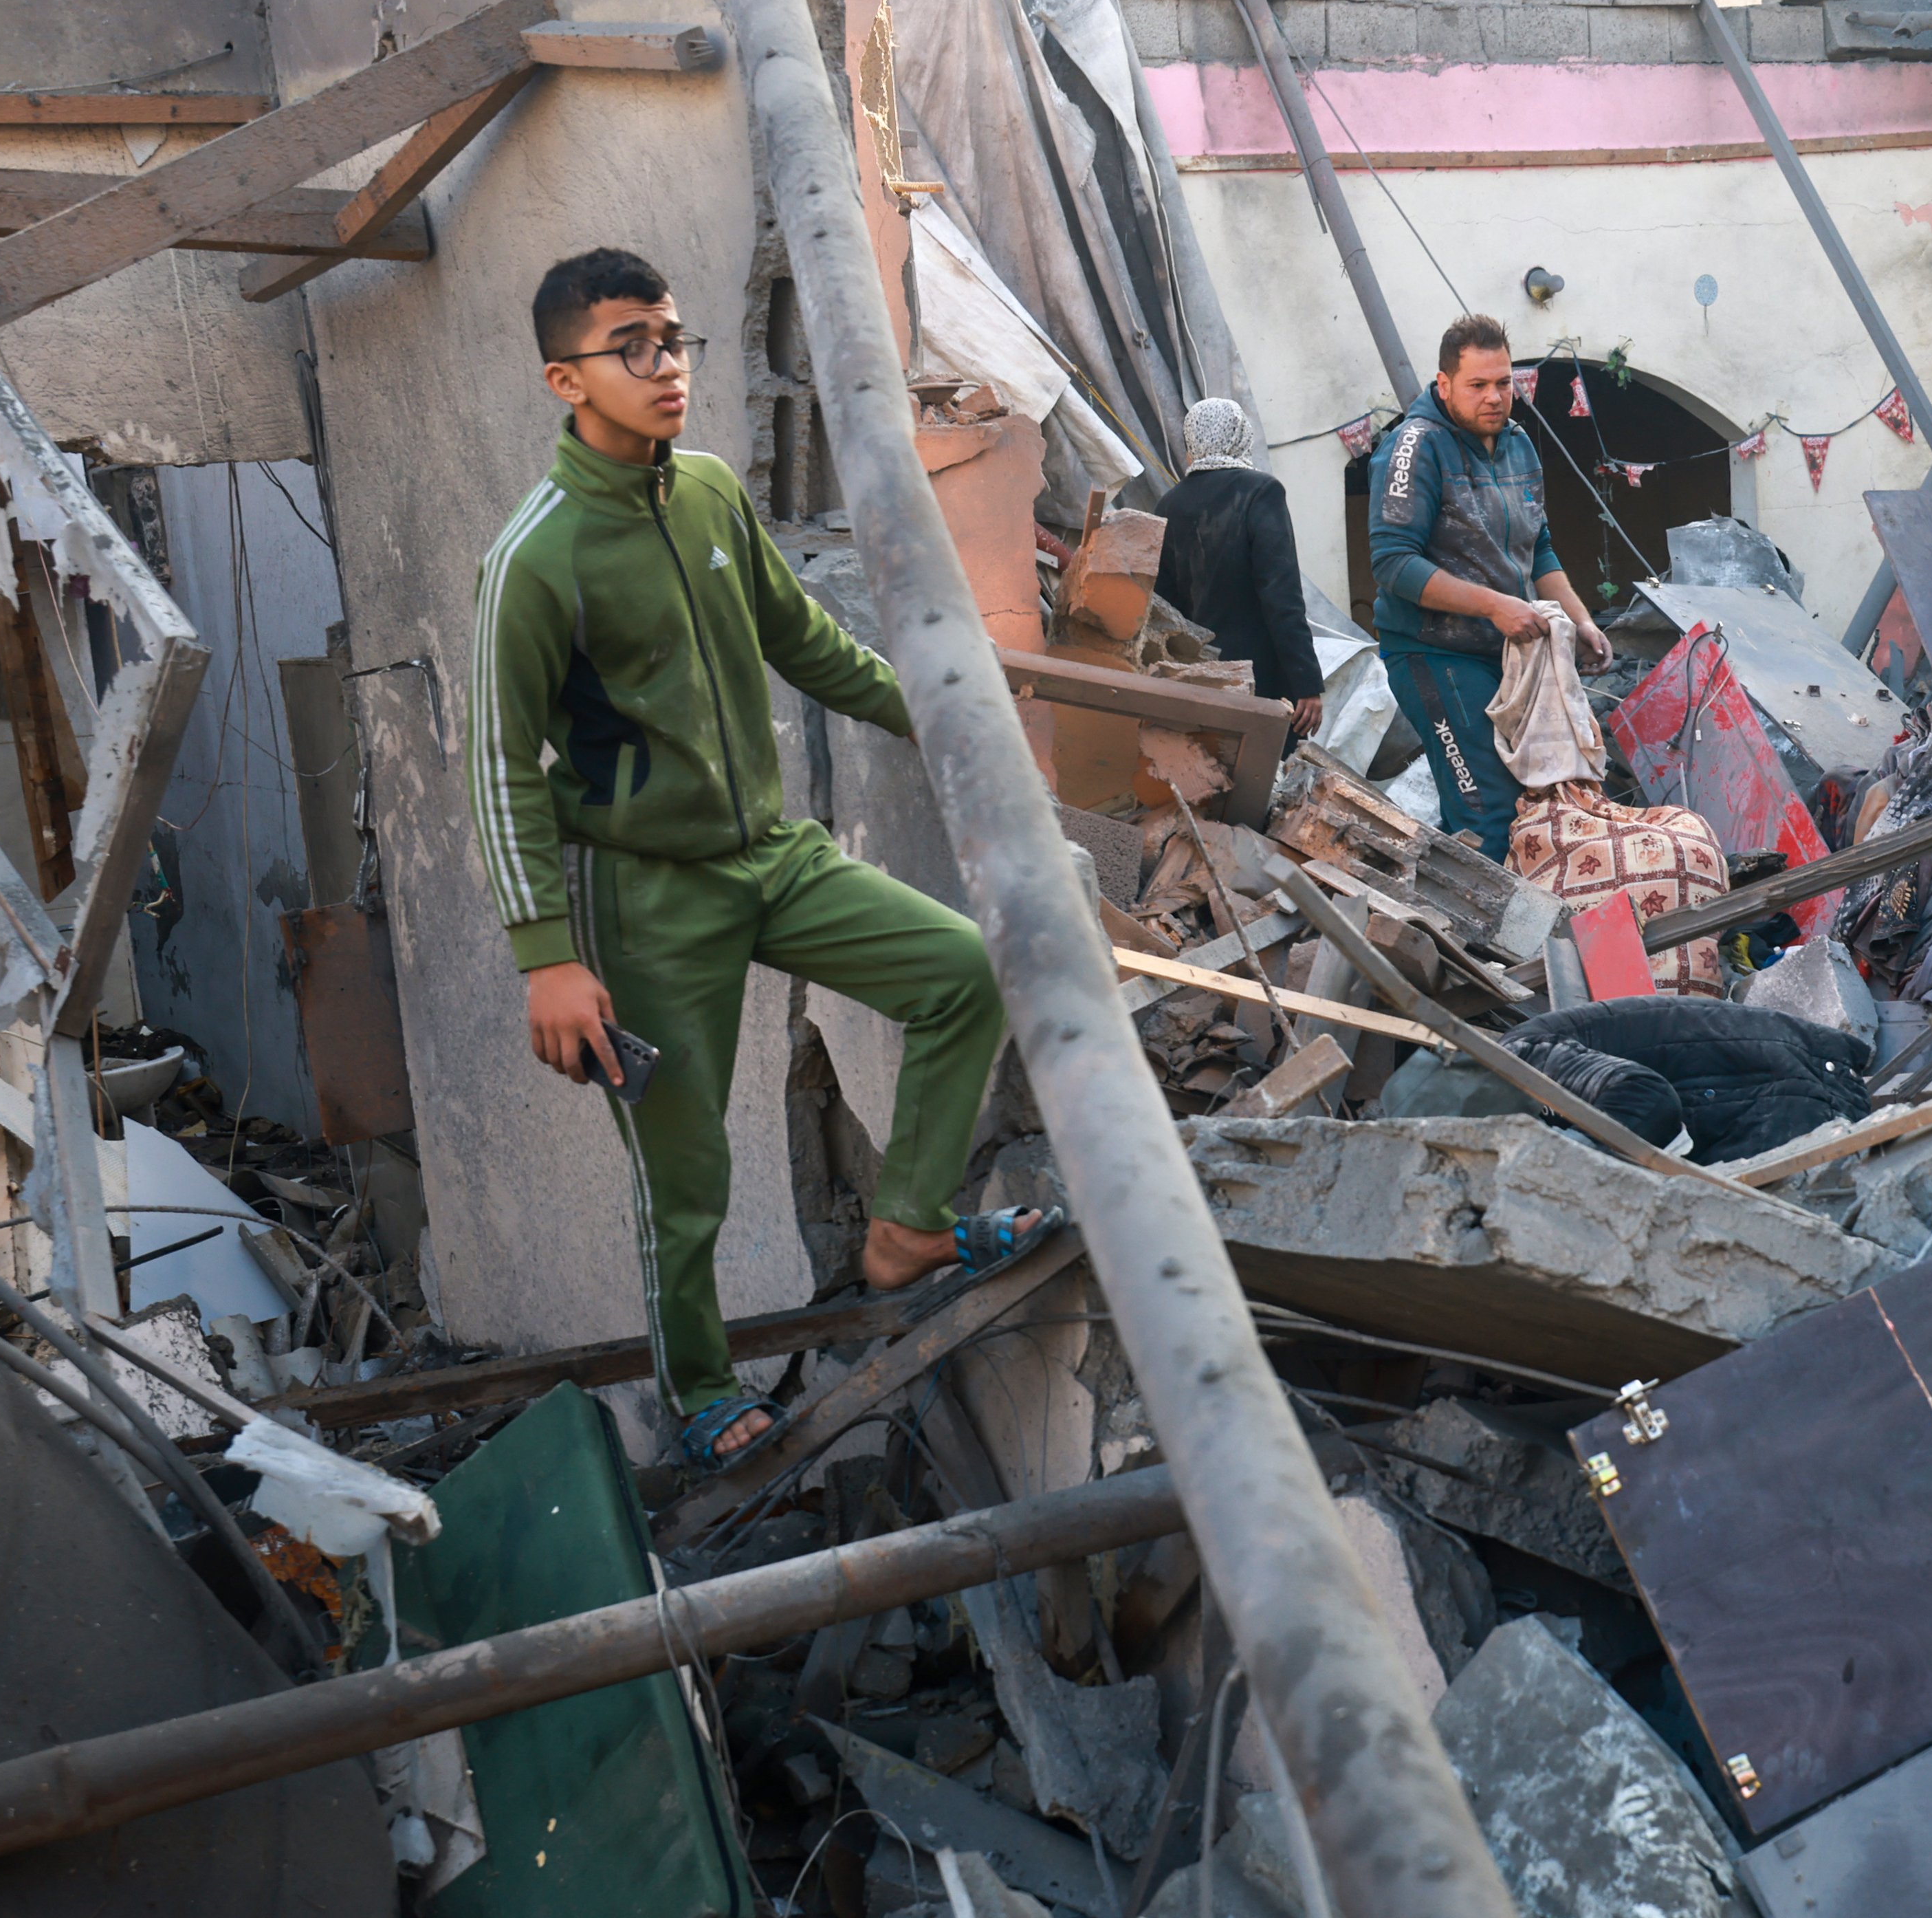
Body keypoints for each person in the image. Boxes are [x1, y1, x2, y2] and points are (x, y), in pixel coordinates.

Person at [470, 248, 1050, 1471]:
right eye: (630, 346)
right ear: (562, 380)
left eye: (674, 338)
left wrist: (945, 721)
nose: (665, 365)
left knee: (960, 970)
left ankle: (908, 1231)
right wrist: (547, 962)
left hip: (773, 856)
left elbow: (805, 642)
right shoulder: (537, 556)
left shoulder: (713, 495)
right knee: (685, 1174)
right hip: (643, 896)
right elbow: (498, 762)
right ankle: (698, 1385)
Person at [1366, 313, 1608, 856]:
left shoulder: (1519, 444)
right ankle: (1478, 940)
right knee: (1489, 815)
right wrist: (1496, 605)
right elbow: (1392, 563)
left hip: (1508, 652)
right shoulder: (1414, 446)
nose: (1495, 397)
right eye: (1478, 385)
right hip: (1432, 654)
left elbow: (1537, 545)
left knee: (1550, 800)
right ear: (1444, 383)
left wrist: (1581, 619)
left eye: (1504, 383)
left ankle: (1555, 938)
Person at [1154, 398, 1325, 738]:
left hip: (1201, 678)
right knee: (1269, 776)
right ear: (1241, 436)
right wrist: (1306, 680)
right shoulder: (1261, 492)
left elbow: (1164, 605)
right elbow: (1281, 594)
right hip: (1261, 677)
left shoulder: (1168, 504)